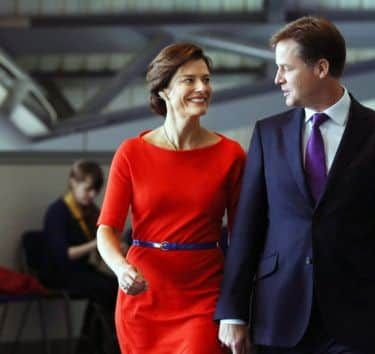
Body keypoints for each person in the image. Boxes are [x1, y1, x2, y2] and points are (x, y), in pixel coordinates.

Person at [215, 16, 375, 354]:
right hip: (280, 312)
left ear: (320, 68)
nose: (277, 79)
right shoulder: (266, 134)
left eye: (286, 68)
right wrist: (232, 311)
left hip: (357, 317)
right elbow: (247, 227)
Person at [96, 43, 246, 354]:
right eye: (189, 80)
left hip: (204, 294)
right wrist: (121, 268)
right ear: (163, 90)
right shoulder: (131, 153)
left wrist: (236, 309)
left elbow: (242, 237)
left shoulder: (231, 154)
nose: (202, 87)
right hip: (143, 298)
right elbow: (106, 229)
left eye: (206, 79)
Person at [43, 159, 118, 352]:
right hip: (60, 273)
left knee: (115, 285)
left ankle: (93, 342)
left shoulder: (91, 211)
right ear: (73, 183)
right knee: (103, 288)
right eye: (88, 189)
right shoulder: (57, 212)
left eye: (96, 191)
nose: (92, 195)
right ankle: (100, 343)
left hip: (82, 270)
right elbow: (64, 254)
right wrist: (97, 243)